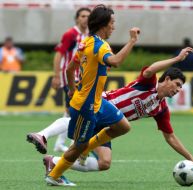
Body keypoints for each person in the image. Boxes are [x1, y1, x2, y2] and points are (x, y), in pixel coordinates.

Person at [27, 47, 193, 182]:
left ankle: (54, 161)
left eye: (181, 87)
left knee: (104, 163)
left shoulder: (160, 108)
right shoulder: (148, 83)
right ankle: (43, 134)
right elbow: (151, 69)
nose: (178, 90)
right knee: (78, 128)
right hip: (102, 104)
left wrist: (190, 158)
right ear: (167, 79)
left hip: (109, 126)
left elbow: (170, 137)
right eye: (177, 84)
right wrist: (177, 59)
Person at [44, 4, 140, 186]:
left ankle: (87, 148)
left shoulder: (86, 42)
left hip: (98, 101)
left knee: (123, 127)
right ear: (104, 24)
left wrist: (72, 90)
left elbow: (70, 69)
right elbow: (116, 61)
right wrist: (132, 41)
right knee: (78, 146)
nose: (114, 26)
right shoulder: (99, 46)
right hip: (86, 107)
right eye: (112, 22)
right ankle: (54, 175)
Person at [52, 7, 91, 153]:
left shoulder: (89, 35)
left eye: (88, 16)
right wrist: (56, 75)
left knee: (70, 110)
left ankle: (61, 143)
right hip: (69, 77)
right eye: (82, 16)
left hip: (82, 78)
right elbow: (59, 55)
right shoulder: (71, 34)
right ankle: (70, 143)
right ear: (77, 19)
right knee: (75, 109)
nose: (85, 18)